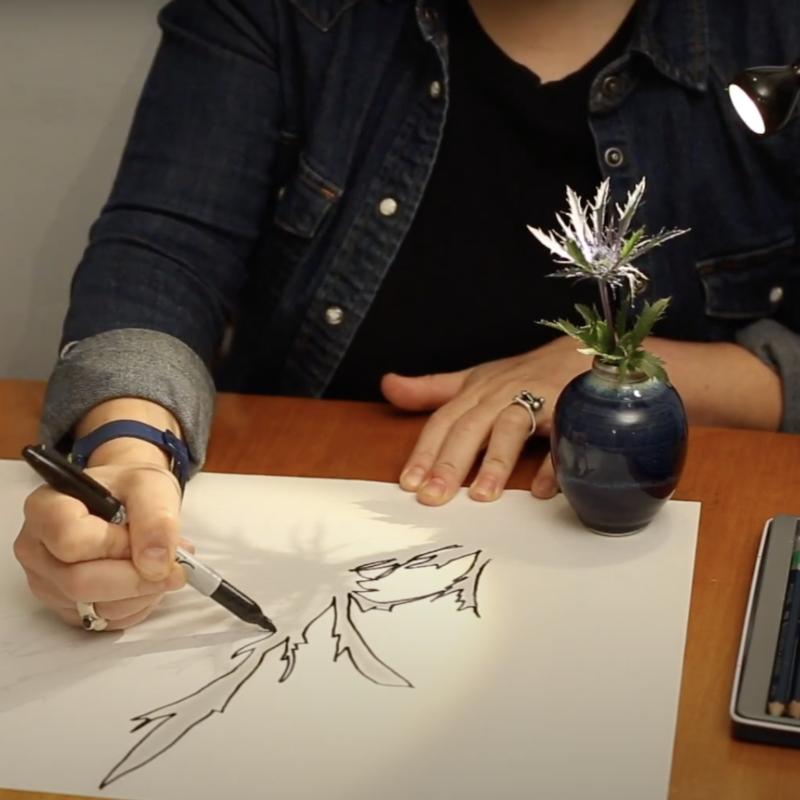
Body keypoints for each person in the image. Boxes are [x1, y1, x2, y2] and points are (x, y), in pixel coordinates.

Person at [13, 0, 800, 630]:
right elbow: (165, 249)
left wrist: (627, 367)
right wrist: (130, 447)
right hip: (320, 500)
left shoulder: (773, 33)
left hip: (683, 560)